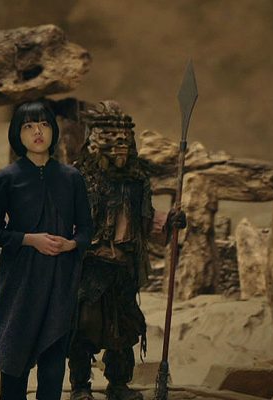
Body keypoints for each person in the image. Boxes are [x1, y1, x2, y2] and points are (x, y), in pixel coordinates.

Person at [68, 101, 185, 400]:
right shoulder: (78, 177)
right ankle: (80, 385)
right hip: (90, 266)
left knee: (122, 328)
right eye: (112, 135)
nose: (120, 142)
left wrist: (169, 222)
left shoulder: (136, 181)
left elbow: (145, 221)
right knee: (83, 325)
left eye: (124, 137)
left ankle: (118, 384)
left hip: (123, 267)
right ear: (96, 140)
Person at [0, 102, 92, 400]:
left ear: (53, 130)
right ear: (17, 134)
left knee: (53, 360)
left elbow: (86, 228)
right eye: (28, 126)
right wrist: (29, 239)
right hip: (20, 280)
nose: (38, 132)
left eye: (44, 124)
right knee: (14, 356)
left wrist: (71, 244)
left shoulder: (71, 178)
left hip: (59, 278)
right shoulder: (7, 177)